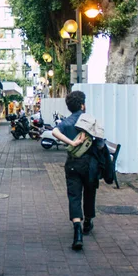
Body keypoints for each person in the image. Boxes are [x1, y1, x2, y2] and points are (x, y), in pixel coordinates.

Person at [52, 91, 97, 251]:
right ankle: (88, 222)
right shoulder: (90, 120)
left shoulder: (67, 122)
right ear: (82, 105)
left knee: (74, 195)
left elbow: (54, 132)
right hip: (90, 164)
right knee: (90, 192)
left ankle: (77, 231)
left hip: (72, 164)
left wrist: (72, 142)